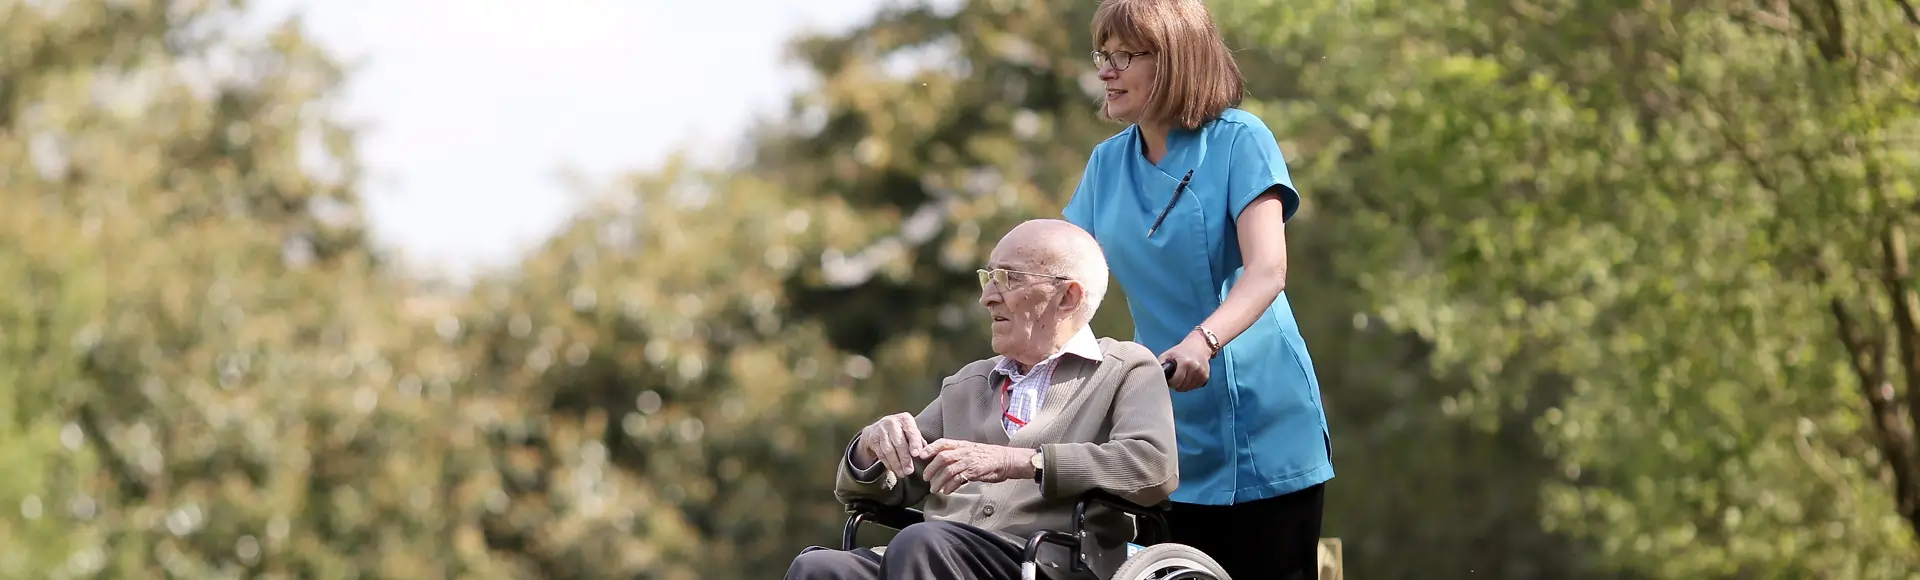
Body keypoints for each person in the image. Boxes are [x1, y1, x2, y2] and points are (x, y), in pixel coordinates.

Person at [1059, 0, 1335, 578]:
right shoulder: (1106, 164)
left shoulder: (1240, 140)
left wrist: (1201, 342)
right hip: (1166, 427)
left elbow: (1267, 271)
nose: (1105, 71)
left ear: (1175, 60)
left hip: (1262, 419)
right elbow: (1065, 279)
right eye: (1102, 55)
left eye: (1123, 56)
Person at [782, 219, 1179, 580]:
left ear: (1068, 297)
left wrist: (1019, 461)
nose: (988, 296)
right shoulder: (968, 383)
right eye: (988, 277)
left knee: (921, 542)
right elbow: (882, 488)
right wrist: (873, 447)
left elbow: (1153, 467)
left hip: (1046, 562)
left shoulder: (1125, 368)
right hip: (935, 556)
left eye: (1008, 278)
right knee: (818, 567)